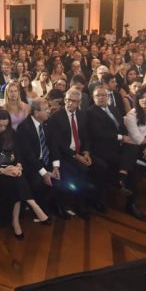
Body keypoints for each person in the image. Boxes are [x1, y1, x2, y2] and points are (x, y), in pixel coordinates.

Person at [0, 110, 51, 239]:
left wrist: (19, 165)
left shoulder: (11, 133)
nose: (3, 129)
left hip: (11, 168)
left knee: (17, 177)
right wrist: (2, 170)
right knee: (16, 180)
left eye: (5, 126)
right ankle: (33, 206)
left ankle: (16, 220)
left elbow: (18, 154)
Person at [86, 85, 143, 219]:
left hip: (119, 145)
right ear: (93, 98)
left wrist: (125, 138)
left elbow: (121, 127)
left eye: (103, 95)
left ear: (108, 97)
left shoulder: (113, 108)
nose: (101, 97)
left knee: (133, 148)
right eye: (98, 95)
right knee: (132, 165)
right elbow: (98, 133)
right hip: (103, 148)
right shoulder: (91, 112)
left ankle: (123, 179)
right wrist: (122, 138)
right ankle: (131, 202)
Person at [48, 88, 94, 219]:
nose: (69, 103)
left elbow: (85, 137)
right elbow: (57, 143)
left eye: (73, 101)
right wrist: (76, 156)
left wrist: (86, 153)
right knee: (79, 170)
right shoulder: (56, 117)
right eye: (67, 100)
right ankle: (65, 205)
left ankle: (85, 202)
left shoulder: (82, 115)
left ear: (79, 102)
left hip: (80, 152)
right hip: (64, 154)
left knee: (98, 166)